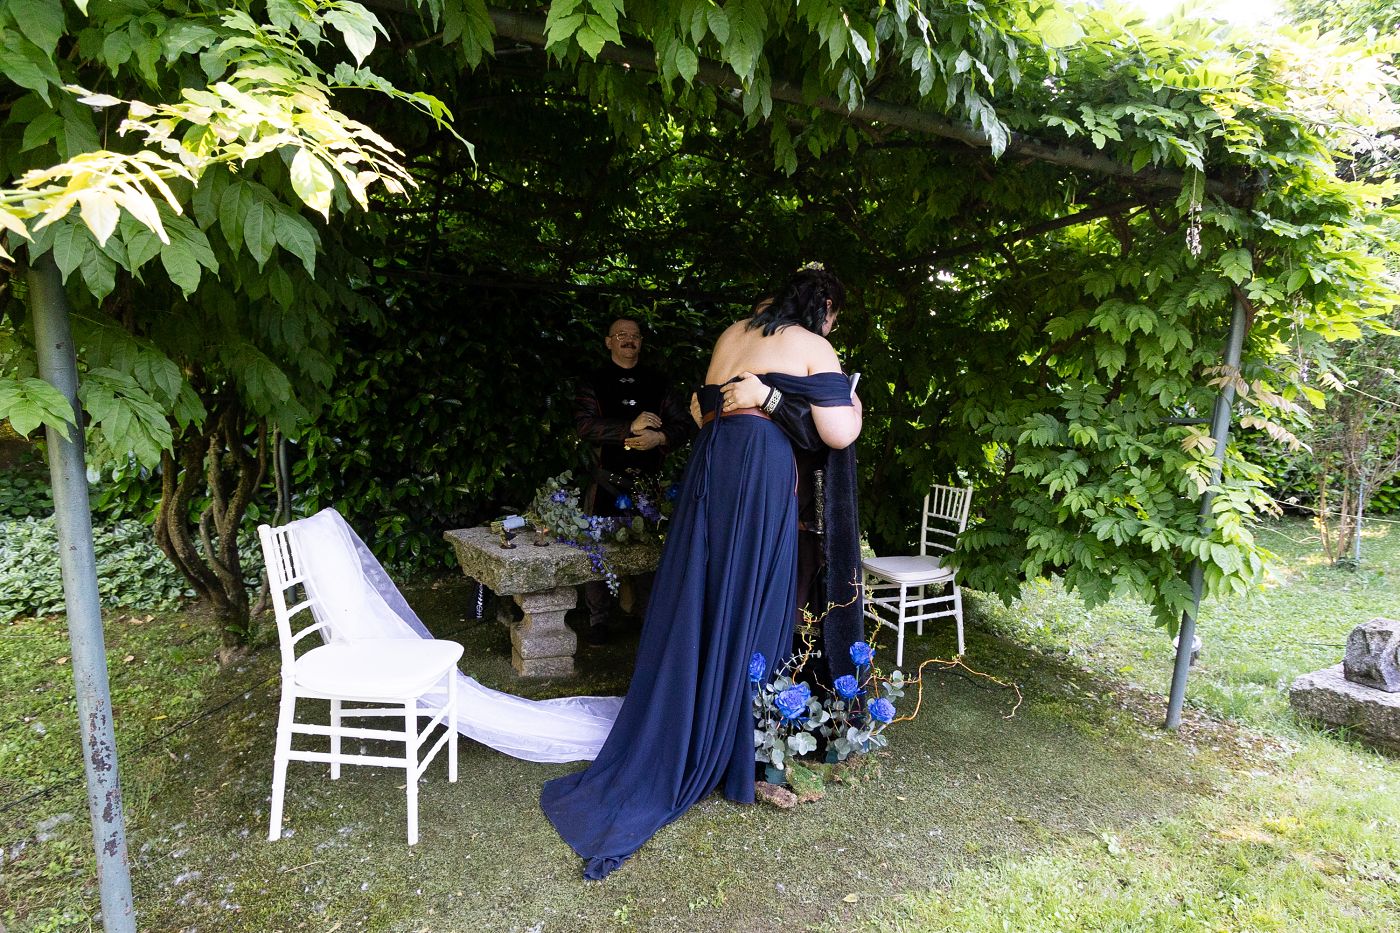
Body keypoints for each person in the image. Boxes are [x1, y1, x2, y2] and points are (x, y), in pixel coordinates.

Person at [541, 266, 862, 880]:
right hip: (759, 473)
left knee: (706, 594)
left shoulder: (731, 334)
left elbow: (705, 409)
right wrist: (851, 401)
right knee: (755, 600)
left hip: (713, 468)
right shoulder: (811, 344)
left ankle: (696, 719)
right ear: (824, 309)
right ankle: (743, 750)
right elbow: (838, 433)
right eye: (834, 318)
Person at [573, 317, 690, 643]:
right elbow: (584, 426)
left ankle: (647, 618)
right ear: (608, 341)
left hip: (649, 485)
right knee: (598, 553)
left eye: (635, 335)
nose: (629, 340)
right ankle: (599, 620)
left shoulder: (659, 382)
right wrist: (629, 428)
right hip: (605, 483)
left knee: (649, 554)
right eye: (621, 334)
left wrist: (660, 437)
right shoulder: (593, 382)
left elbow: (683, 425)